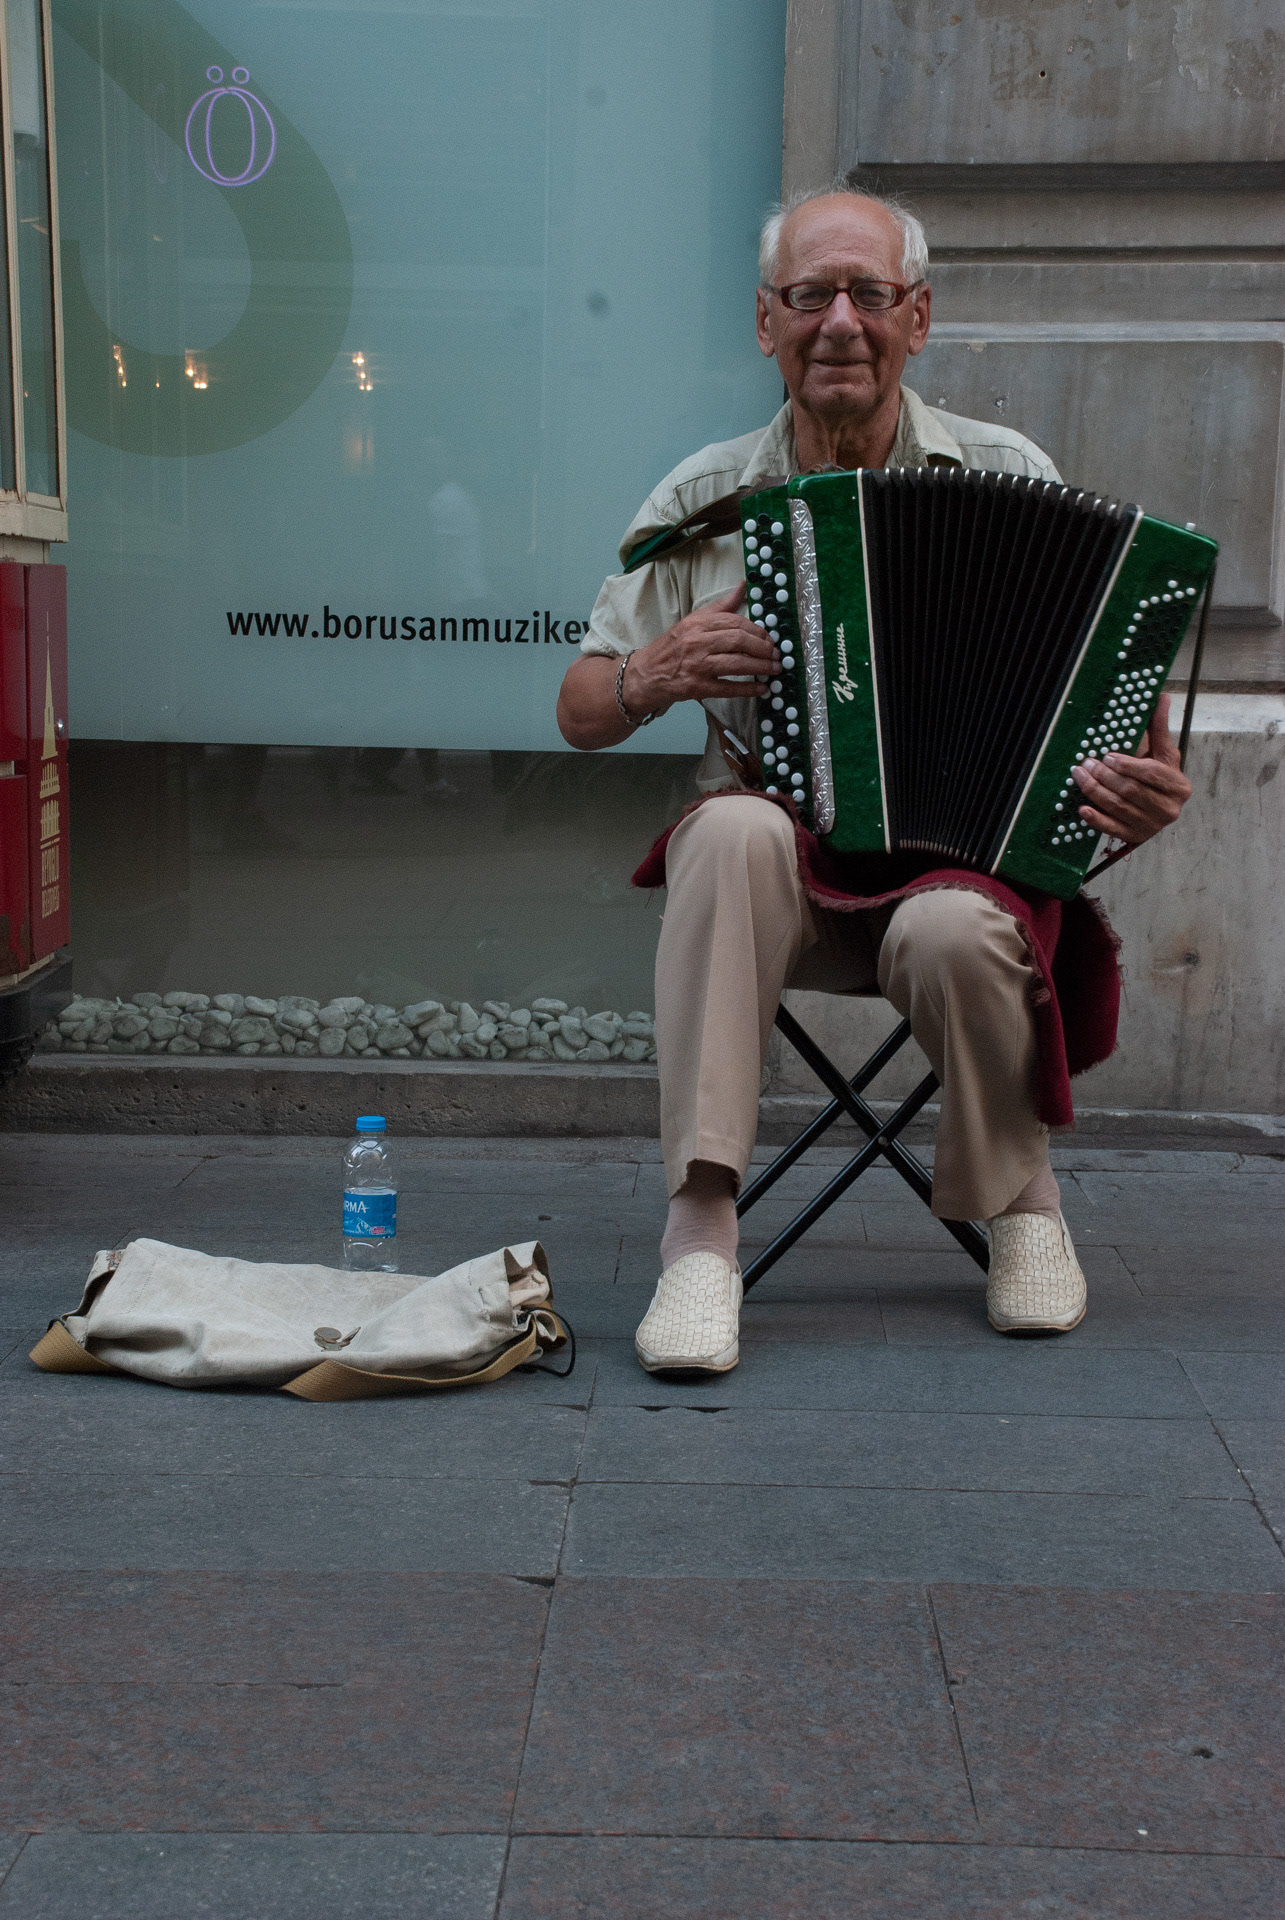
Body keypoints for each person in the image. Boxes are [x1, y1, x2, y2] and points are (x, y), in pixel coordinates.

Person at [556, 184, 1192, 1373]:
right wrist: (654, 669)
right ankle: (699, 1234)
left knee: (955, 926)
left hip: (953, 893)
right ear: (765, 322)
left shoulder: (1008, 477)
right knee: (733, 831)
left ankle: (1022, 1206)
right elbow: (579, 708)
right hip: (774, 903)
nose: (839, 320)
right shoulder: (703, 505)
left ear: (918, 317)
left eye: (869, 295)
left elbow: (1105, 741)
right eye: (809, 295)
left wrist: (1138, 797)